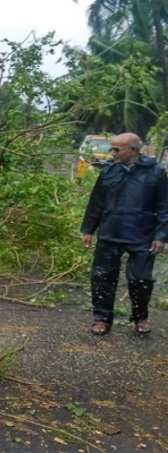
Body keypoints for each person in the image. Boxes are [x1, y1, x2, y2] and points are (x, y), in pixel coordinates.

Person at [81, 132, 168, 335]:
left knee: (141, 279)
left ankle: (140, 317)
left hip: (143, 235)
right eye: (112, 148)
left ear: (133, 150)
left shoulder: (156, 173)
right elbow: (96, 203)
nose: (112, 153)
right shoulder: (108, 172)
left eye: (116, 149)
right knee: (102, 276)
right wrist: (87, 229)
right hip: (110, 232)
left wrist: (161, 235)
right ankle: (102, 318)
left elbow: (165, 206)